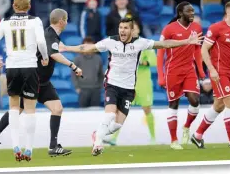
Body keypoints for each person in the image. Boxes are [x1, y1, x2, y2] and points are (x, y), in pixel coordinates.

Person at [60, 17, 202, 155]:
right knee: (109, 114)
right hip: (112, 84)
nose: (122, 30)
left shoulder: (140, 43)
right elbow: (87, 48)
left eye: (126, 28)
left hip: (128, 89)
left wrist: (187, 41)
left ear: (132, 31)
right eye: (121, 27)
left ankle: (98, 133)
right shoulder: (111, 41)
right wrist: (66, 47)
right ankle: (98, 143)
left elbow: (164, 44)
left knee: (117, 125)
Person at [0, 7, 82, 160]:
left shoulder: (53, 36)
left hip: (43, 82)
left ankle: (53, 147)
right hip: (34, 80)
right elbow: (54, 54)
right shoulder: (50, 34)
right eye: (67, 19)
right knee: (18, 110)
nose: (67, 22)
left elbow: (59, 48)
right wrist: (73, 66)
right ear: (62, 21)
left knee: (57, 108)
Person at [191, 0, 230, 149]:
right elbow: (204, 49)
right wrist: (211, 69)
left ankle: (197, 135)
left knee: (218, 106)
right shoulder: (216, 28)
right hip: (218, 72)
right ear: (228, 12)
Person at [157, 2, 205, 150]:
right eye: (189, 11)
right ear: (180, 13)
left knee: (195, 100)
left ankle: (186, 127)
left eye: (193, 11)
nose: (192, 14)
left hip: (189, 70)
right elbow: (160, 52)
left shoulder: (196, 28)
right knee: (174, 104)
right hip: (173, 71)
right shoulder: (169, 29)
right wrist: (161, 75)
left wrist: (201, 70)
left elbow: (197, 50)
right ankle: (173, 140)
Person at [103, 21, 157, 146]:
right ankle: (113, 138)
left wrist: (139, 62)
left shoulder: (144, 44)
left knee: (147, 109)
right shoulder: (122, 45)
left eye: (135, 29)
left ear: (136, 30)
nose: (132, 31)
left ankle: (153, 138)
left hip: (143, 83)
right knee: (120, 110)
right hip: (127, 83)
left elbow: (153, 62)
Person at [72, 36, 104, 108]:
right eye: (86, 46)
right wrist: (77, 87)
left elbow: (101, 74)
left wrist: (100, 87)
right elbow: (73, 75)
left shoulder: (98, 58)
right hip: (83, 90)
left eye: (90, 46)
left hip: (95, 90)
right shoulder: (77, 59)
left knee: (95, 112)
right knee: (82, 114)